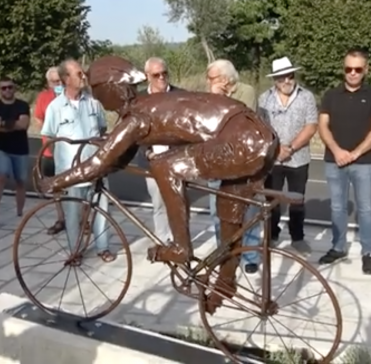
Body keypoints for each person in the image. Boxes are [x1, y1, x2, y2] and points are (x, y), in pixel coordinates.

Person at [36, 56, 279, 313]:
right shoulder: (145, 106)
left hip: (242, 140)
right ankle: (226, 284)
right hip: (260, 137)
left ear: (110, 89)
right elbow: (115, 157)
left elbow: (98, 164)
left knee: (163, 165)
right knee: (229, 216)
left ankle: (181, 247)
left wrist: (55, 181)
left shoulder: (136, 117)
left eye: (97, 91)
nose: (96, 98)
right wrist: (106, 147)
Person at [317, 48, 371, 274]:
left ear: (366, 69)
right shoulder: (331, 95)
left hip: (364, 162)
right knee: (337, 207)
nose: (353, 73)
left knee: (366, 208)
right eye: (349, 69)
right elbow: (322, 126)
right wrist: (337, 151)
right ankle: (338, 247)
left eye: (358, 69)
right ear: (343, 69)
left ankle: (368, 252)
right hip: (334, 161)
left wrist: (355, 153)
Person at [41, 59, 115, 263]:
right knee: (72, 214)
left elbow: (101, 130)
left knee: (101, 210)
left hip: (96, 168)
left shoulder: (93, 103)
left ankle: (103, 247)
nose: (83, 77)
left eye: (83, 73)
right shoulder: (55, 108)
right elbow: (49, 138)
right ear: (66, 79)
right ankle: (75, 251)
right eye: (79, 74)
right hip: (70, 172)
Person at [205, 59, 262, 274]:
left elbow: (241, 121)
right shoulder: (209, 96)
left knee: (248, 211)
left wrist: (223, 98)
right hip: (216, 162)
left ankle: (250, 255)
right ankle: (225, 251)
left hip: (241, 163)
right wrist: (214, 98)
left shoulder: (246, 91)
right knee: (217, 211)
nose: (208, 82)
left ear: (224, 79)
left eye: (211, 78)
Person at [258, 57, 317, 253]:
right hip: (272, 159)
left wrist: (290, 148)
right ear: (275, 79)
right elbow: (261, 127)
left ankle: (297, 237)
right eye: (281, 78)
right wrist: (276, 150)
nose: (286, 81)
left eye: (289, 76)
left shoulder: (306, 97)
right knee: (272, 201)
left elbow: (311, 126)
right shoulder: (264, 99)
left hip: (298, 159)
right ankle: (271, 235)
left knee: (297, 200)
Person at [140, 57, 180, 242]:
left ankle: (180, 240)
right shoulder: (139, 100)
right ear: (148, 76)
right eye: (156, 75)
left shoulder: (181, 95)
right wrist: (148, 153)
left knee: (180, 204)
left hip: (177, 162)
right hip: (153, 161)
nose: (162, 78)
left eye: (165, 73)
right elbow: (134, 133)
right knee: (159, 204)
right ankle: (163, 240)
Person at [0, 77, 30, 230]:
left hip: (20, 148)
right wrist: (13, 123)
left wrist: (3, 124)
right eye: (3, 88)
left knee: (21, 181)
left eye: (10, 87)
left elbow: (23, 125)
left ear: (14, 88)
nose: (7, 90)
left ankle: (19, 212)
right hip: (1, 148)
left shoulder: (23, 105)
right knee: (1, 176)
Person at [33, 67, 66, 234]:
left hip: (69, 151)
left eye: (60, 80)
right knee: (55, 188)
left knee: (76, 185)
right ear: (48, 83)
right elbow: (38, 117)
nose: (58, 84)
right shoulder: (44, 97)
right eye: (54, 82)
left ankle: (83, 220)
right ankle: (61, 218)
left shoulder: (70, 96)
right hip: (50, 151)